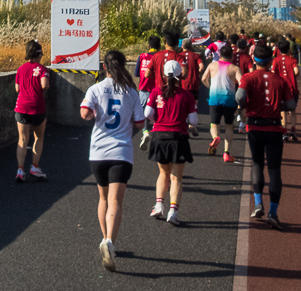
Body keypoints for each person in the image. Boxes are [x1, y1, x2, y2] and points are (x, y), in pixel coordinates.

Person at [81, 50, 145, 272]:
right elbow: (139, 123)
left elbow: (84, 113)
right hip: (121, 152)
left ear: (104, 67)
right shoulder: (131, 92)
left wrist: (94, 114)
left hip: (98, 152)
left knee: (103, 198)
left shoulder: (95, 89)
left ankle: (103, 237)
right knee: (116, 200)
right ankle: (109, 241)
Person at [238, 45, 292, 230]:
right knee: (275, 170)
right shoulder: (280, 80)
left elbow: (239, 97)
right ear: (270, 61)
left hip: (254, 126)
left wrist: (247, 104)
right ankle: (273, 213)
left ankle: (258, 204)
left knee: (257, 164)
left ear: (255, 60)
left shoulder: (248, 78)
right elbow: (291, 104)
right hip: (274, 127)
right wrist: (278, 107)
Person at [145, 59, 198, 226]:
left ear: (162, 74)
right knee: (176, 177)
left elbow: (147, 114)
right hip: (178, 137)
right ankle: (173, 211)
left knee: (163, 173)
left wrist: (158, 120)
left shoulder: (155, 92)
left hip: (159, 136)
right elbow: (193, 121)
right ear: (181, 76)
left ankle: (159, 204)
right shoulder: (187, 95)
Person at [14, 40, 48, 181]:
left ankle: (20, 170)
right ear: (38, 54)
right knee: (38, 137)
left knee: (22, 139)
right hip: (37, 106)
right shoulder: (42, 69)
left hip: (21, 106)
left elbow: (17, 89)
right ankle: (34, 167)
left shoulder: (20, 69)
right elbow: (44, 85)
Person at [201, 43, 241, 163]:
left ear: (220, 55)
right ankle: (226, 153)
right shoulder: (235, 68)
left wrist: (211, 88)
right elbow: (242, 82)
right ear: (232, 56)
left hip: (214, 99)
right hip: (229, 100)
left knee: (214, 124)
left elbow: (203, 78)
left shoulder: (212, 65)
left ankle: (215, 137)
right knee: (229, 126)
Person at [271, 39, 300, 141]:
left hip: (281, 89)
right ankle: (293, 130)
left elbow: (273, 72)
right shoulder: (292, 60)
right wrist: (292, 75)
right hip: (292, 88)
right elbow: (297, 71)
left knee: (282, 111)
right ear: (289, 49)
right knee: (293, 110)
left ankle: (284, 132)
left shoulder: (276, 60)